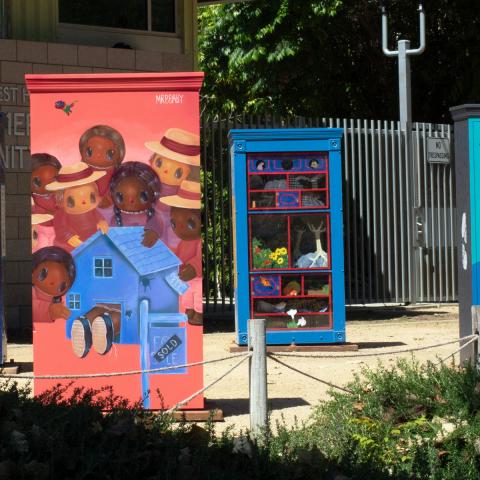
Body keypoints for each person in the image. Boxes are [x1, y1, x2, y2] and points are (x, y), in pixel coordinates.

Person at [145, 128, 200, 248]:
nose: (165, 170)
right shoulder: (150, 183)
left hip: (172, 234)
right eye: (159, 163)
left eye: (177, 172)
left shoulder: (185, 194)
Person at [160, 180, 202, 326]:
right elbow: (178, 255)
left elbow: (199, 258)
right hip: (186, 278)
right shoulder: (183, 242)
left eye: (190, 223)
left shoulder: (198, 241)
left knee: (197, 295)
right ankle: (189, 310)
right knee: (187, 296)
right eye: (174, 224)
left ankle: (199, 313)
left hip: (196, 278)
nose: (180, 229)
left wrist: (193, 268)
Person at [46, 162, 109, 252]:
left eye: (91, 197)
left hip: (92, 239)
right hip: (72, 243)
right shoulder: (61, 214)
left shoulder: (93, 210)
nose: (84, 202)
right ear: (61, 199)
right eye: (72, 201)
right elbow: (60, 228)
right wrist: (68, 237)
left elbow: (99, 218)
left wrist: (102, 223)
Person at [109, 161, 163, 247]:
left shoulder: (155, 217)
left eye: (142, 196)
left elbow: (157, 227)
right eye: (121, 197)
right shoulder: (115, 219)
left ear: (153, 194)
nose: (131, 201)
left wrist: (153, 233)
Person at [79, 125, 126, 208]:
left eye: (109, 154)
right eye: (90, 152)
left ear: (120, 154)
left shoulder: (120, 176)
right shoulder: (80, 174)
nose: (98, 155)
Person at [32, 246, 76, 323]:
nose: (52, 283)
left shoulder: (60, 300)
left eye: (61, 285)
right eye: (43, 274)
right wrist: (49, 311)